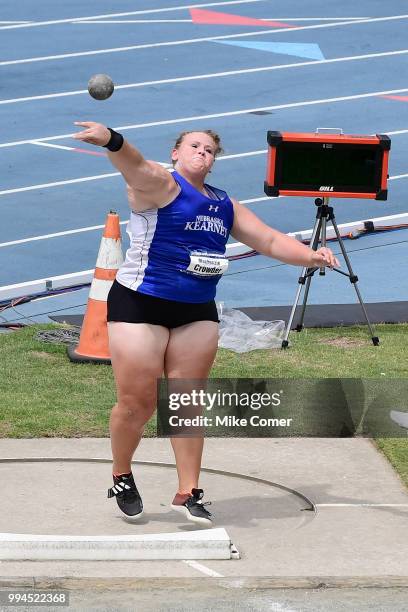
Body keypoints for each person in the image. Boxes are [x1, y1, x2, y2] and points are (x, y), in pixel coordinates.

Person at [73, 122, 339, 527]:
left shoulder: (223, 203)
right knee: (138, 404)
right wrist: (112, 139)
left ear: (214, 162)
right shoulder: (161, 185)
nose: (203, 152)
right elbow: (134, 165)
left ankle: (188, 492)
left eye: (210, 149)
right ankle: (122, 473)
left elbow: (266, 239)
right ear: (177, 153)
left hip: (195, 309)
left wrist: (311, 256)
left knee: (186, 402)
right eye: (195, 145)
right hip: (140, 304)